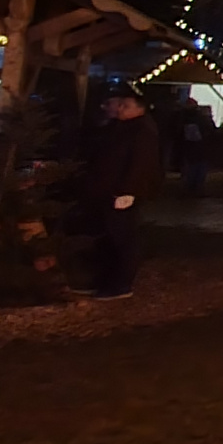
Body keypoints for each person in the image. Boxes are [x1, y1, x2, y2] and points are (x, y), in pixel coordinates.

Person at [70, 83, 160, 300]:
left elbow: (140, 163)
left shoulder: (142, 131)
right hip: (106, 190)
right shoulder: (120, 128)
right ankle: (103, 280)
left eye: (125, 106)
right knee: (106, 238)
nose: (120, 109)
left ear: (139, 108)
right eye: (120, 105)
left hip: (121, 193)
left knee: (122, 239)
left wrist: (128, 191)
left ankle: (120, 283)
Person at [179, 98, 214, 194]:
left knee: (192, 167)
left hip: (190, 147)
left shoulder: (184, 117)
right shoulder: (202, 118)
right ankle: (197, 187)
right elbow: (211, 131)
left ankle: (190, 186)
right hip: (201, 146)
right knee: (199, 167)